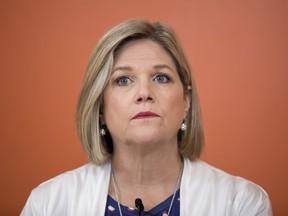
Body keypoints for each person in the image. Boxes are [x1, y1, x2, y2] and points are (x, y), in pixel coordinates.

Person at [21, 19, 272, 216]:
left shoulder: (242, 203)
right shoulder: (47, 204)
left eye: (161, 77)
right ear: (99, 107)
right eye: (123, 80)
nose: (144, 93)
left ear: (186, 101)